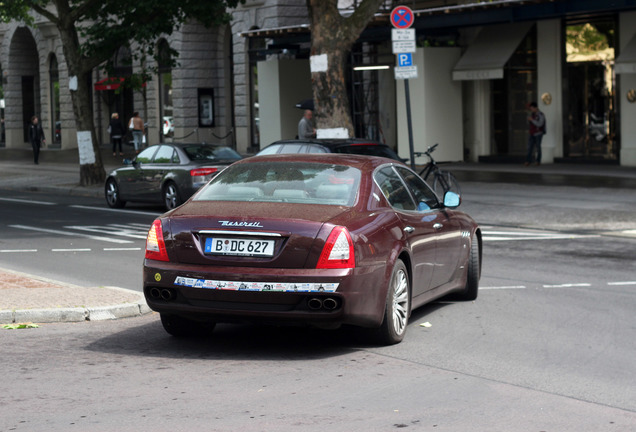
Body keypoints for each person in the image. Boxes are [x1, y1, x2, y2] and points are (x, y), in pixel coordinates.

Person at [526, 102, 546, 166]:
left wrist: (532, 120)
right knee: (529, 147)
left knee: (538, 147)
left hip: (538, 133)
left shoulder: (540, 114)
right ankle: (528, 161)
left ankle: (538, 161)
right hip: (532, 133)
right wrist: (529, 120)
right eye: (530, 108)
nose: (531, 110)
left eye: (532, 108)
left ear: (536, 108)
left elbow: (540, 124)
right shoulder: (532, 114)